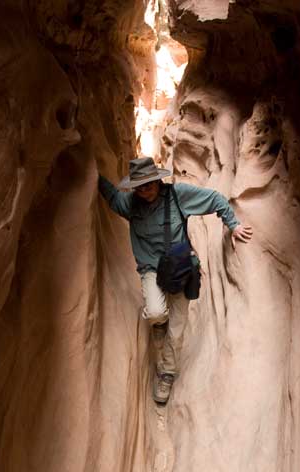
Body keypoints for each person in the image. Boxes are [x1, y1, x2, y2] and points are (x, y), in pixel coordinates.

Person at [98, 156, 253, 404]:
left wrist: (233, 225)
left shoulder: (178, 195)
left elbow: (214, 199)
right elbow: (113, 198)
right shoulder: (130, 204)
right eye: (139, 186)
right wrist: (94, 174)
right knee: (157, 313)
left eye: (148, 184)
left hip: (180, 269)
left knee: (177, 327)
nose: (144, 190)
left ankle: (167, 374)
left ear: (158, 180)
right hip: (150, 268)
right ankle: (159, 323)